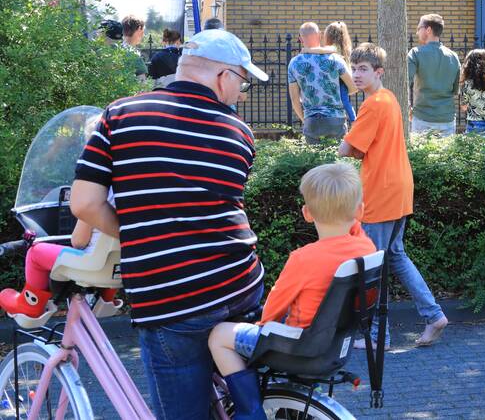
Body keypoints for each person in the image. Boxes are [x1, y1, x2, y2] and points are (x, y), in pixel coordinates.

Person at [71, 29, 268, 420]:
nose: (240, 92)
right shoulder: (240, 134)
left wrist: (140, 231)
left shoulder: (119, 116)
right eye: (242, 81)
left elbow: (85, 203)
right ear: (222, 77)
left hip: (174, 297)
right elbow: (213, 207)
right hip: (241, 282)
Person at [207, 163, 376, 420]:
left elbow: (275, 306)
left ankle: (250, 413)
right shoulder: (367, 249)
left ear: (307, 213)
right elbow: (355, 230)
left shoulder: (304, 258)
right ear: (360, 211)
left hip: (297, 348)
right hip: (332, 348)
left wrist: (265, 327)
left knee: (219, 336)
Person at [339, 43, 447, 347]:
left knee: (373, 264)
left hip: (380, 193)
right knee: (396, 256)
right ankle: (434, 315)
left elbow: (348, 149)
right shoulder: (389, 99)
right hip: (398, 188)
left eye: (363, 69)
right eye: (354, 68)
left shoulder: (373, 104)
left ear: (379, 72)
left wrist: (342, 141)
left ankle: (376, 335)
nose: (357, 74)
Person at [0, 187, 118, 317]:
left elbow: (79, 241)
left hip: (92, 265)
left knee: (35, 252)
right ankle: (106, 298)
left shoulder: (96, 192)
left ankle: (29, 305)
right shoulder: (136, 192)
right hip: (123, 269)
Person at [288, 22, 350, 143]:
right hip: (336, 118)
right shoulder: (335, 59)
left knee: (314, 160)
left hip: (311, 119)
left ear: (300, 39)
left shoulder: (294, 63)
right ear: (320, 35)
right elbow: (353, 87)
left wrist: (304, 119)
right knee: (337, 158)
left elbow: (295, 99)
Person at [407, 14, 461, 136]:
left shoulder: (415, 53)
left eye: (418, 28)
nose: (417, 32)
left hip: (422, 116)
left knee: (420, 154)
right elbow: (456, 89)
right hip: (446, 118)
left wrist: (408, 106)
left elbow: (405, 82)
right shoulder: (453, 56)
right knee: (446, 154)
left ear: (428, 29)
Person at [306, 21, 358, 127]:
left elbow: (323, 50)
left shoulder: (333, 48)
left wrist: (307, 50)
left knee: (344, 100)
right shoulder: (344, 47)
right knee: (345, 101)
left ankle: (354, 121)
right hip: (342, 78)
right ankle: (353, 120)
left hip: (339, 79)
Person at [121, 14, 148, 80]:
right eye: (143, 31)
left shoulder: (112, 51)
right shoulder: (134, 56)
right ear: (139, 29)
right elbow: (143, 86)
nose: (143, 35)